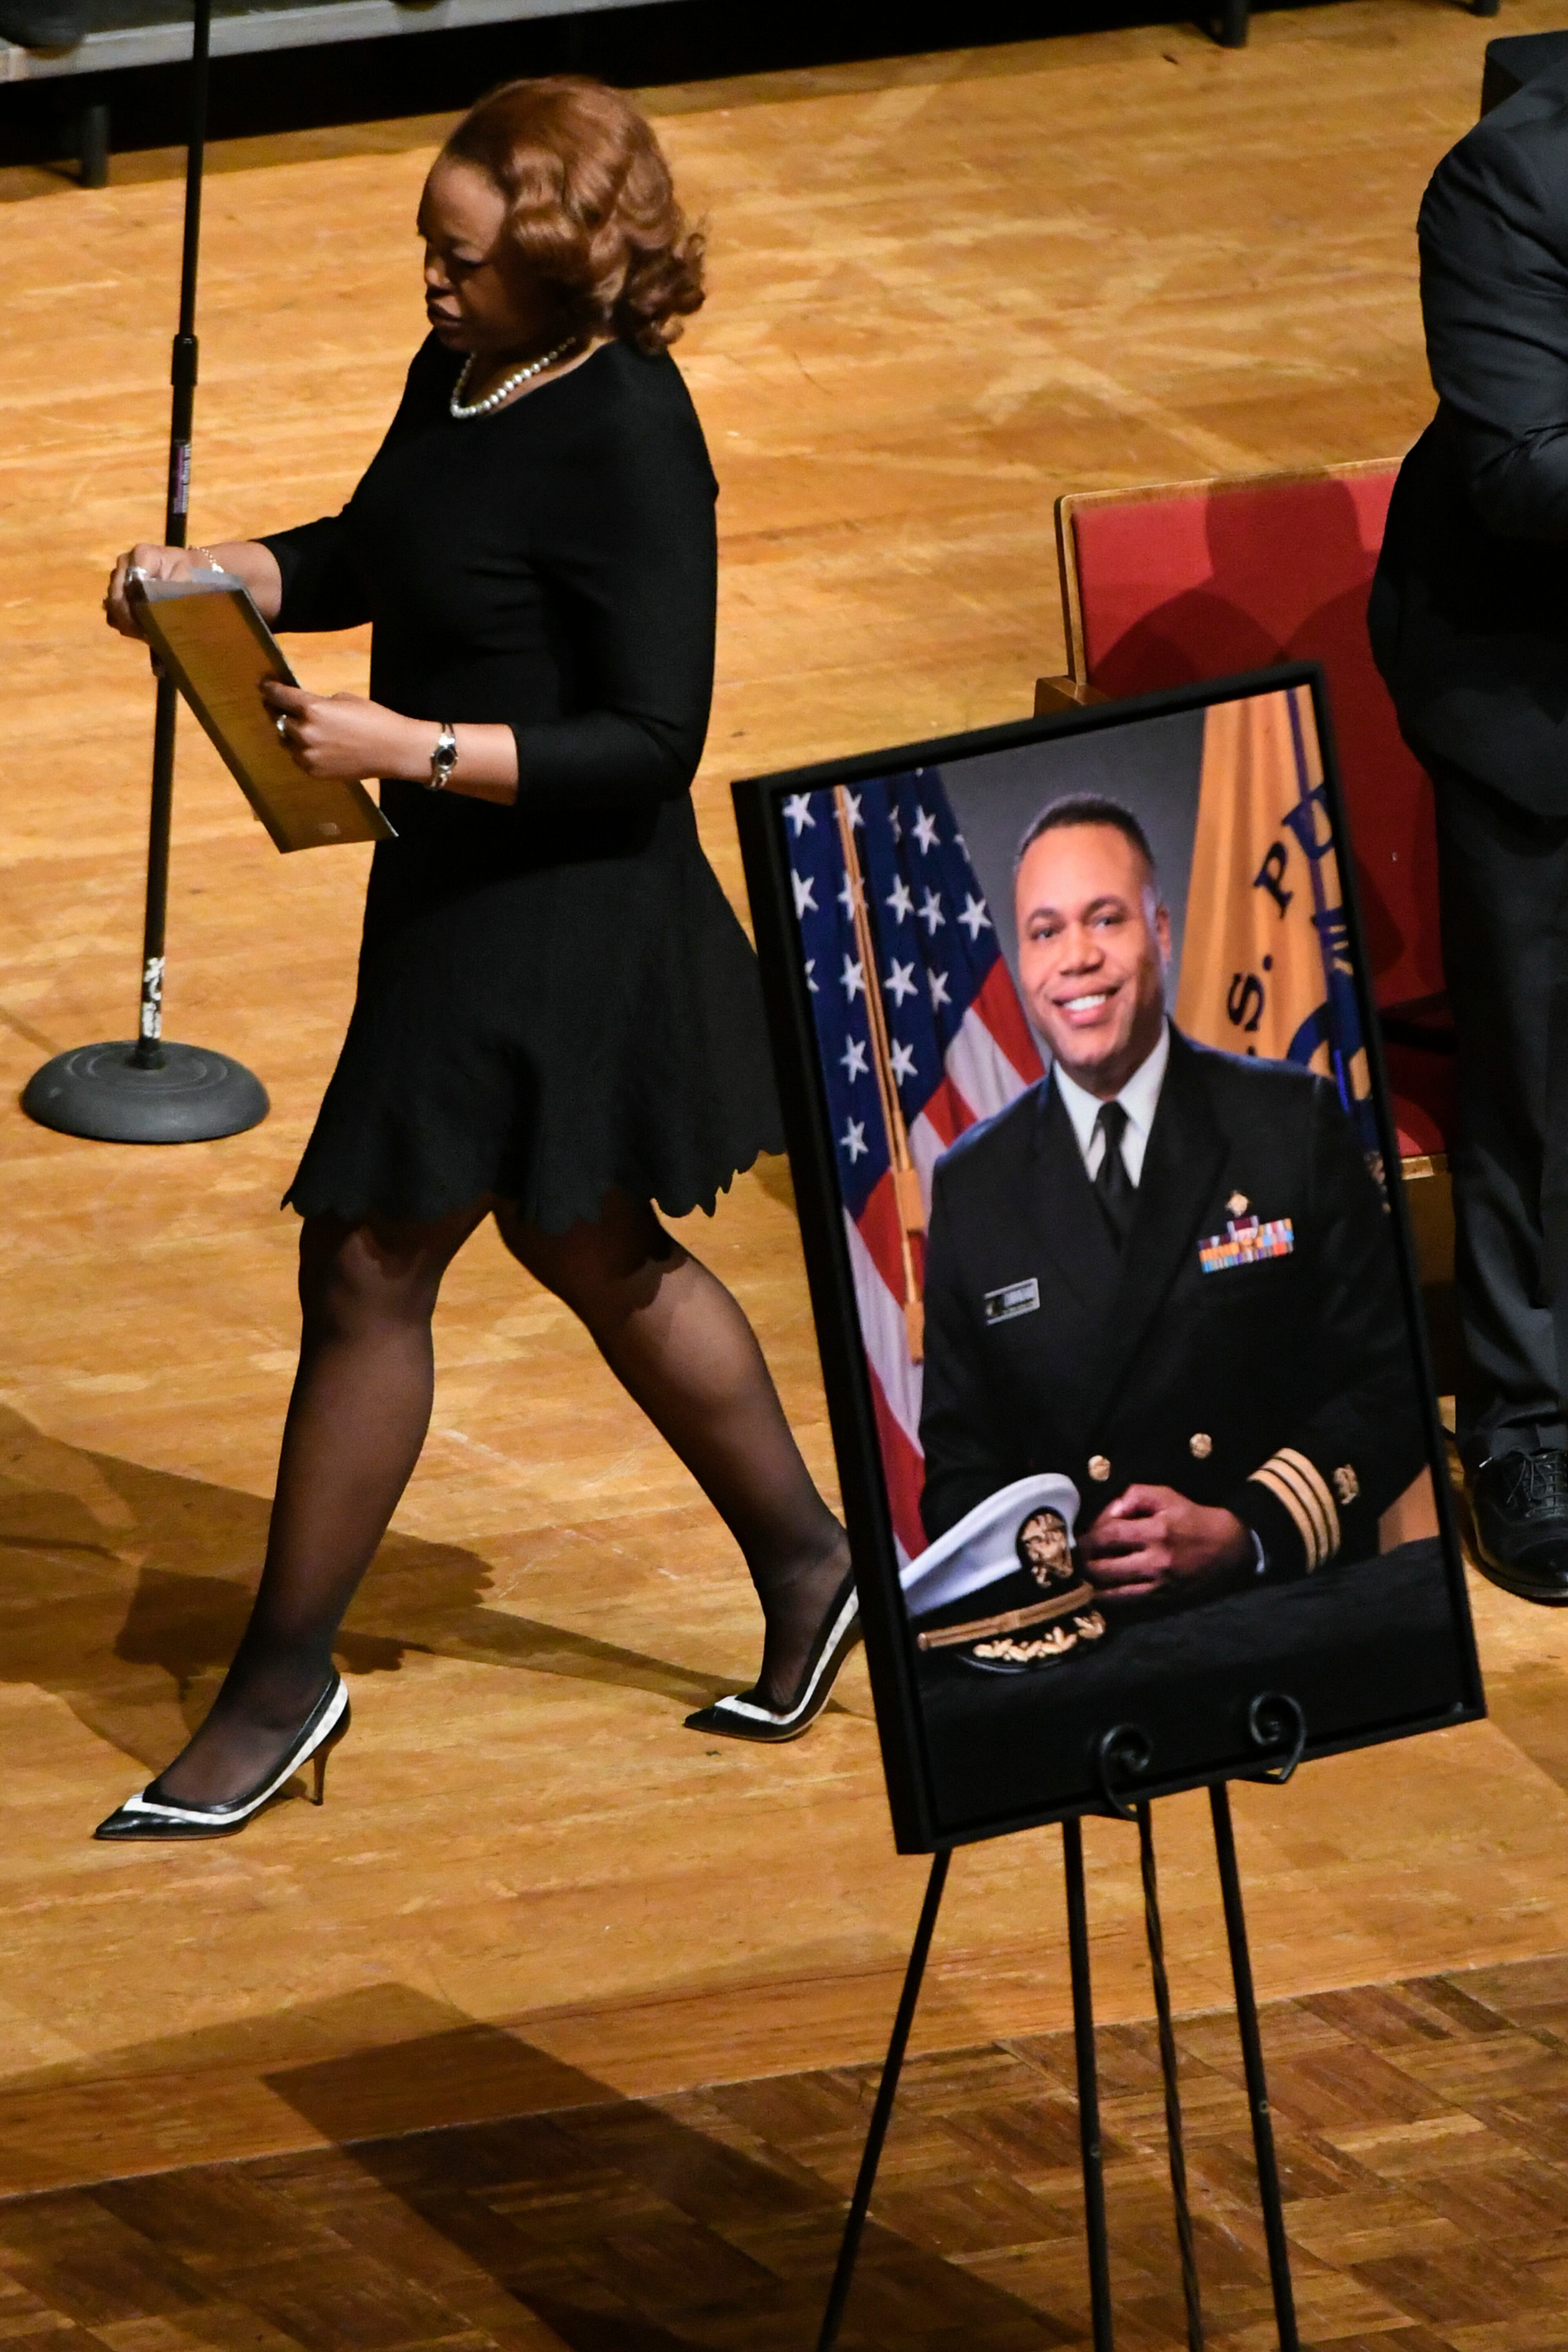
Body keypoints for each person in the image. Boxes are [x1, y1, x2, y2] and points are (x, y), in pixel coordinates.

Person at [94, 76, 858, 1842]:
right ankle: (816, 1566)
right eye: (428, 250)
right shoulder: (467, 371)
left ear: (561, 267)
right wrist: (229, 573)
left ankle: (284, 1682)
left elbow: (654, 740)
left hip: (569, 903)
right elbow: (386, 545)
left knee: (373, 1258)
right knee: (583, 1234)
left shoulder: (635, 435)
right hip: (457, 888)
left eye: (459, 259)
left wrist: (410, 747)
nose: (428, 281)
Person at [918, 795, 1427, 1608]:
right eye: (1046, 931)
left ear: (1161, 932)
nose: (1075, 958)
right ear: (1022, 960)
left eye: (1106, 919)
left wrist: (1248, 1528)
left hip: (1280, 1606)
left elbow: (1392, 1383)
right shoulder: (973, 1182)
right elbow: (958, 1464)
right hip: (1089, 1635)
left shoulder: (1288, 1121)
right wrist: (1056, 1561)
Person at [1369, 59, 1568, 1605]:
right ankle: (1531, 1420)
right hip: (1537, 697)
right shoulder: (1508, 182)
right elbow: (1522, 473)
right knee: (1542, 1076)